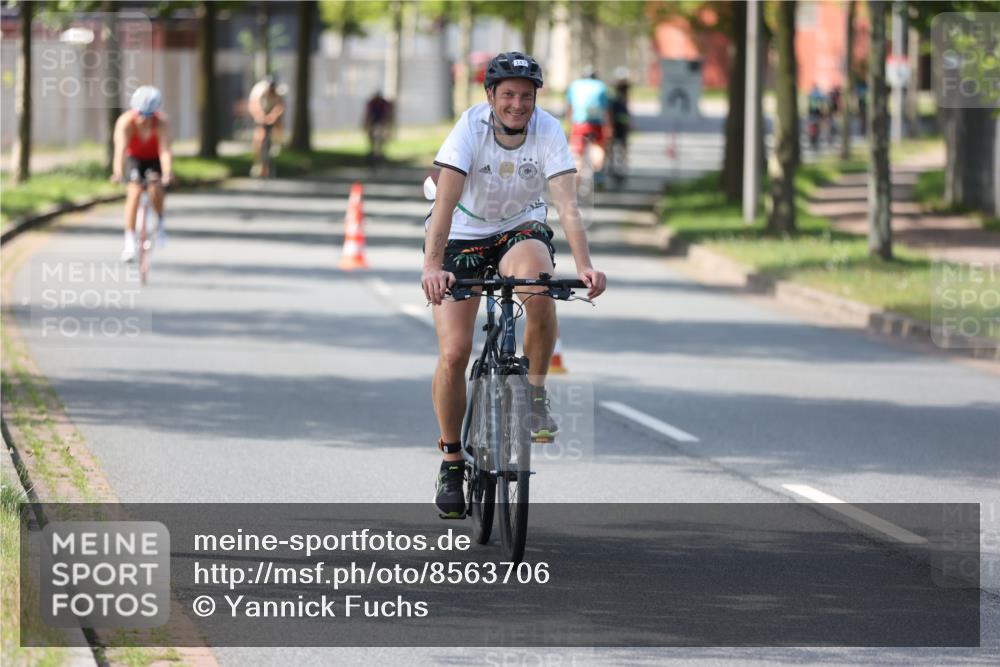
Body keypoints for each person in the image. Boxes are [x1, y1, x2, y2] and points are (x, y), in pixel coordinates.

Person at [422, 51, 607, 517]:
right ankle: (451, 460)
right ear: (490, 96)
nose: (517, 104)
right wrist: (432, 266)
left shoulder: (547, 130)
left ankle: (534, 395)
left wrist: (585, 265)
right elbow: (442, 205)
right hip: (462, 230)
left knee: (540, 288)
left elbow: (566, 204)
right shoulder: (470, 127)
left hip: (518, 227)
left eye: (526, 96)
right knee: (454, 351)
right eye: (507, 95)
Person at [111, 85, 173, 263]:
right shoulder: (125, 123)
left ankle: (160, 224)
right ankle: (129, 241)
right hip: (134, 158)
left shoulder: (161, 123)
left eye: (148, 116)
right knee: (134, 193)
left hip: (154, 159)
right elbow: (120, 151)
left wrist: (167, 172)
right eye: (140, 114)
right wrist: (118, 172)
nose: (143, 120)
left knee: (156, 188)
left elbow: (165, 151)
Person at [565, 65, 612, 189]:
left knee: (577, 153)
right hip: (596, 123)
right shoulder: (601, 86)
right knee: (598, 147)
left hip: (579, 124)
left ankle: (576, 181)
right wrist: (608, 127)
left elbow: (570, 108)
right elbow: (606, 110)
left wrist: (568, 125)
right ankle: (597, 173)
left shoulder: (575, 85)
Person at [247, 74, 286, 178]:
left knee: (278, 129)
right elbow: (254, 105)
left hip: (271, 113)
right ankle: (257, 161)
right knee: (260, 136)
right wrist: (261, 116)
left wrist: (273, 116)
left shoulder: (277, 92)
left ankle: (277, 146)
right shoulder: (259, 91)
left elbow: (280, 106)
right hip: (260, 113)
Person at [608, 67, 632, 187]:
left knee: (618, 148)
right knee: (620, 147)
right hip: (619, 124)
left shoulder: (617, 98)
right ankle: (617, 168)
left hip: (620, 124)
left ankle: (617, 168)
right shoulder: (618, 98)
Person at [363, 90, 394, 165]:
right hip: (374, 121)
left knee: (380, 137)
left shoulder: (384, 104)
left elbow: (386, 115)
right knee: (372, 137)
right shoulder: (372, 103)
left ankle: (379, 153)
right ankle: (373, 152)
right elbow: (368, 114)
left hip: (380, 122)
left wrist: (386, 125)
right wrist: (367, 123)